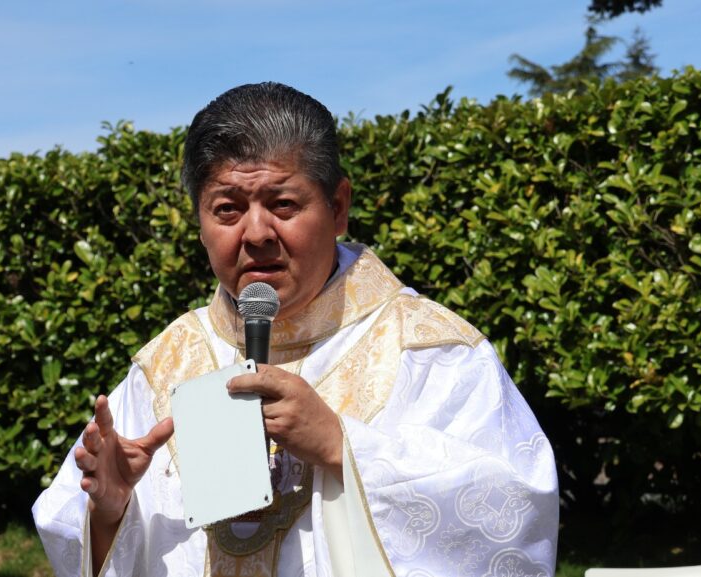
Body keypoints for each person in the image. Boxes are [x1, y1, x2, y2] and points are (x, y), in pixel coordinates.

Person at [33, 82, 558, 577]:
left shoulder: (432, 351)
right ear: (199, 222)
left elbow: (515, 506)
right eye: (227, 209)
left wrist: (340, 443)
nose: (256, 233)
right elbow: (81, 533)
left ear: (338, 208)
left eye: (283, 204)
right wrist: (110, 511)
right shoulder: (165, 366)